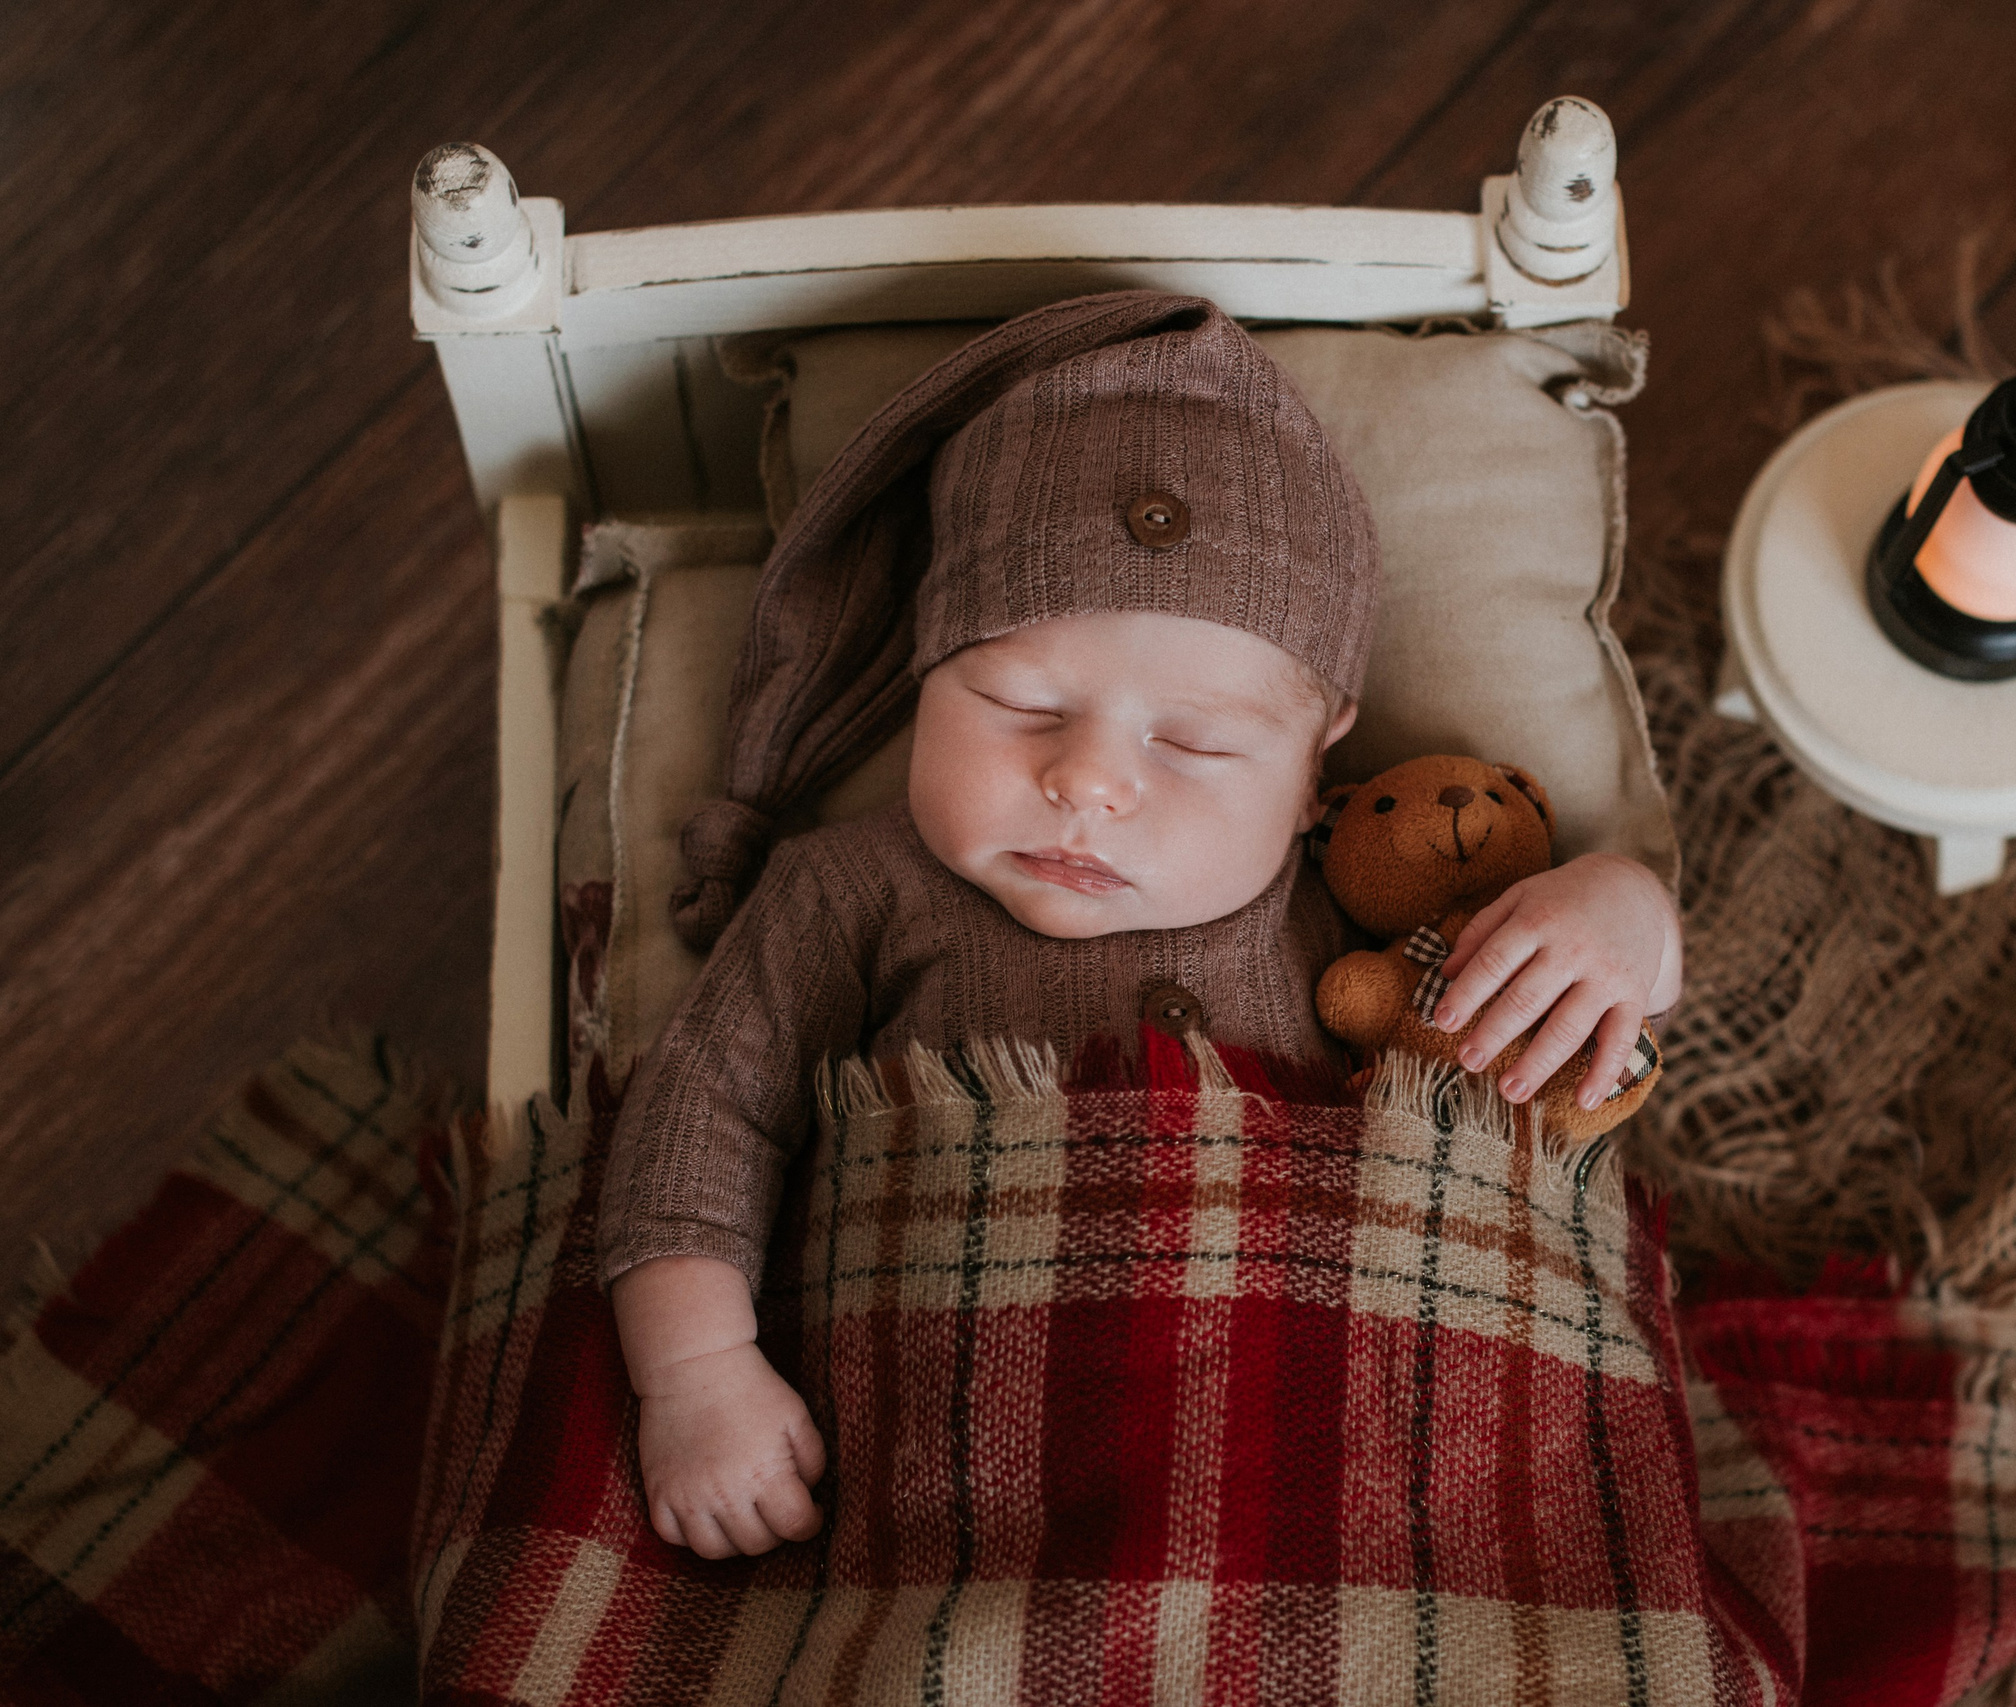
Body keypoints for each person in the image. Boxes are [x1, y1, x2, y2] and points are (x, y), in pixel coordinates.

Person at [595, 293, 1682, 1562]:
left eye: (1195, 742)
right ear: (925, 677)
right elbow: (702, 1114)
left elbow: (1565, 1035)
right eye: (1014, 702)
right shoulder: (846, 891)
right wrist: (699, 1372)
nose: (1090, 782)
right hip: (973, 1468)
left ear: (1316, 756)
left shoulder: (1344, 899)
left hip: (1342, 1452)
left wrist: (1625, 908)